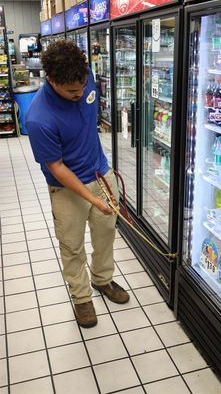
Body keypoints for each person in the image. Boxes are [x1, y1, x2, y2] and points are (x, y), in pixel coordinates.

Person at [26, 40, 130, 328]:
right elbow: (57, 168)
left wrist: (103, 186)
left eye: (83, 85)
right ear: (52, 81)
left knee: (105, 235)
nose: (81, 92)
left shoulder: (85, 76)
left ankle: (103, 280)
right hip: (67, 189)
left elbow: (86, 94)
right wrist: (93, 199)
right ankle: (82, 297)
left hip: (101, 174)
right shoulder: (39, 118)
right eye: (72, 91)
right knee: (72, 246)